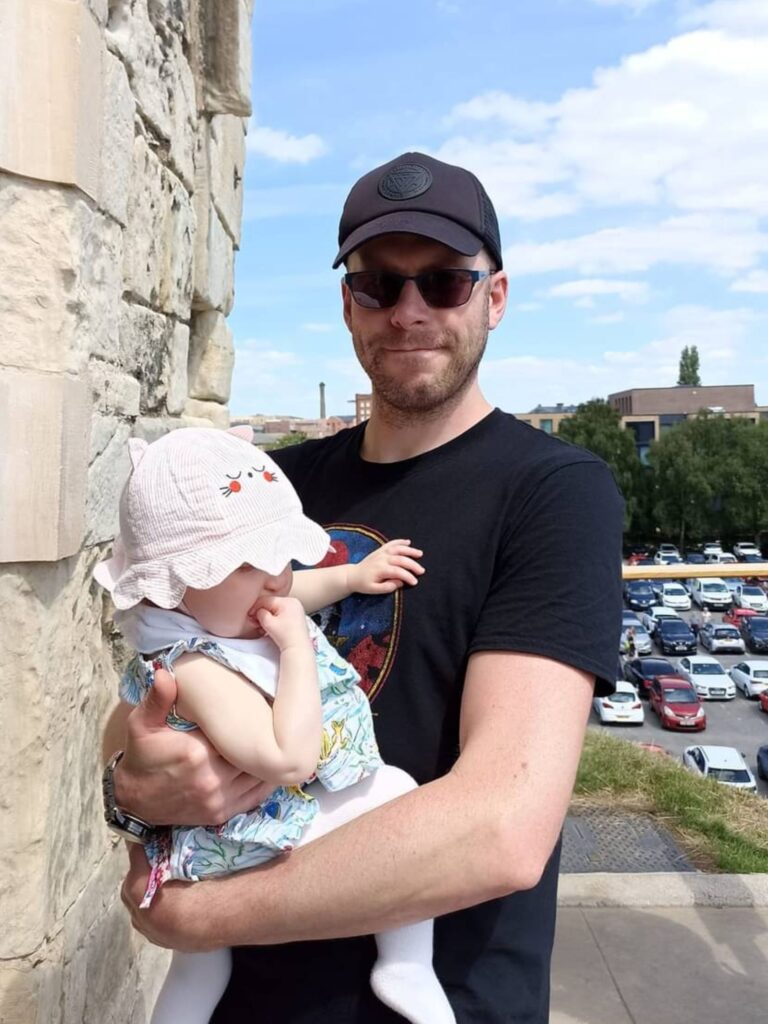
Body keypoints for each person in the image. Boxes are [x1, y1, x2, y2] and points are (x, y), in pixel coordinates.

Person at [105, 151, 624, 1023]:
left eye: (445, 282)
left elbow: (502, 826)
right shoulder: (267, 488)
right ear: (349, 303)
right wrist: (129, 785)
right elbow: (149, 686)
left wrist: (196, 915)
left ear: (495, 297)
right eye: (379, 283)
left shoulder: (553, 492)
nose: (408, 310)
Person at [96, 426, 455, 1024]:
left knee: (199, 968)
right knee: (396, 794)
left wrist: (349, 578)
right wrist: (295, 652)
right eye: (245, 564)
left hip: (209, 842)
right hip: (236, 837)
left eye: (281, 557)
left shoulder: (217, 613)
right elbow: (290, 759)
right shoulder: (197, 669)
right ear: (171, 590)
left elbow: (287, 592)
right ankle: (407, 961)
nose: (276, 579)